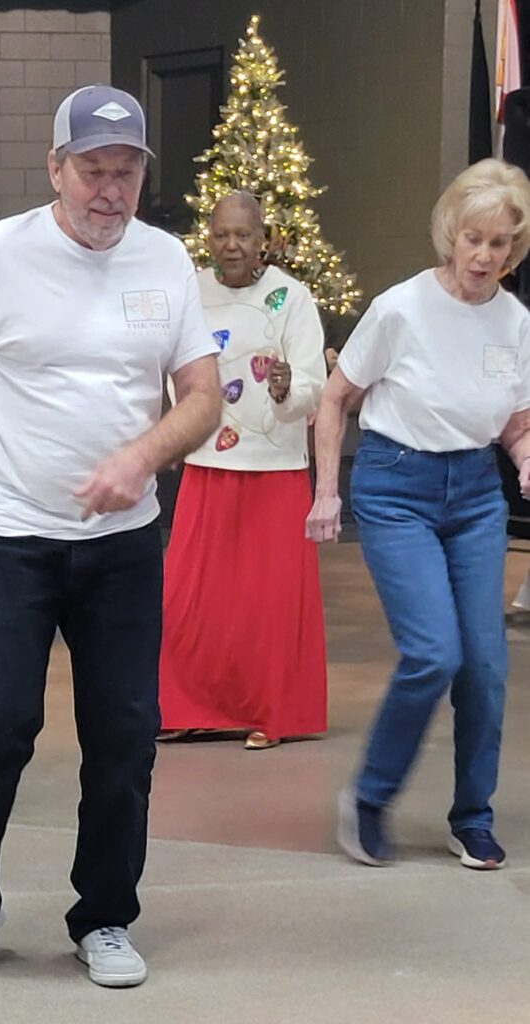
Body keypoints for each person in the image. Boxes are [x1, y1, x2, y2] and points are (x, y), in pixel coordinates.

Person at [0, 85, 221, 988]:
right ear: (55, 169)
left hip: (121, 545)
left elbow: (202, 397)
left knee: (124, 733)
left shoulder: (163, 259)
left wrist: (141, 456)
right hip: (4, 532)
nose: (109, 191)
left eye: (125, 173)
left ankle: (104, 916)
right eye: (92, 170)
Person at [306, 158, 530, 870]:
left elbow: (515, 421)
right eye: (473, 239)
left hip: (475, 494)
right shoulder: (400, 307)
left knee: (484, 667)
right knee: (434, 651)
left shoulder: (515, 321)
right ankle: (369, 797)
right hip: (395, 487)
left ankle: (471, 816)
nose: (483, 256)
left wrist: (526, 455)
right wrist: (326, 491)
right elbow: (334, 399)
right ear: (450, 233)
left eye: (499, 244)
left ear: (514, 248)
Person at [158, 192, 328, 750]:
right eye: (222, 234)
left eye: (244, 235)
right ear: (208, 237)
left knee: (268, 602)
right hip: (207, 462)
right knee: (191, 597)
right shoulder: (191, 292)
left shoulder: (291, 297)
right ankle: (188, 707)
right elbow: (170, 365)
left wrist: (288, 388)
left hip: (274, 468)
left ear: (262, 240)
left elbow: (313, 383)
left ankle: (271, 713)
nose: (232, 245)